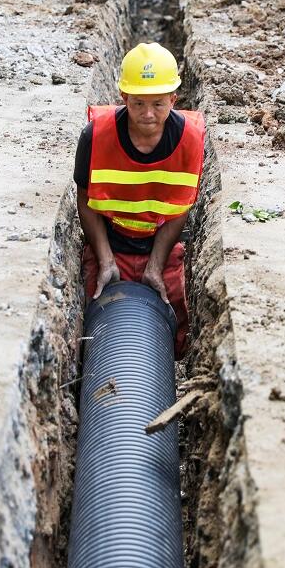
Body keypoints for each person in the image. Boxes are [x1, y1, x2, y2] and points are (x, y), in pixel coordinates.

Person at [73, 42, 205, 359]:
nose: (148, 114)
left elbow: (179, 207)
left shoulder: (189, 140)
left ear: (174, 99)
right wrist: (105, 260)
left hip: (160, 245)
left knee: (175, 327)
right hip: (108, 242)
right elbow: (86, 201)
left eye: (159, 104)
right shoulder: (96, 137)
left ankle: (172, 370)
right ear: (123, 98)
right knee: (94, 325)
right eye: (138, 104)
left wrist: (156, 265)